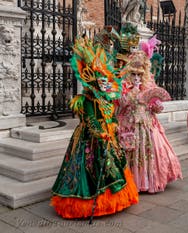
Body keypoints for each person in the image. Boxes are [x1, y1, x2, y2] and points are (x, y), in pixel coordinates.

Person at [51, 38, 138, 219]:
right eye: (101, 80)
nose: (105, 82)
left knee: (113, 166)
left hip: (108, 138)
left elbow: (111, 116)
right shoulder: (87, 101)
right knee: (92, 168)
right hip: (90, 139)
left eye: (105, 79)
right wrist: (100, 133)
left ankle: (115, 200)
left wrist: (113, 126)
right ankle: (89, 203)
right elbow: (90, 120)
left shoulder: (106, 99)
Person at [117, 50, 182, 193]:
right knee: (131, 151)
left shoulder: (149, 85)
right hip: (130, 124)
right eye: (133, 74)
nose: (136, 77)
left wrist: (157, 106)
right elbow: (121, 103)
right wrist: (133, 90)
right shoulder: (123, 86)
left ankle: (149, 180)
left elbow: (152, 103)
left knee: (150, 152)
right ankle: (133, 181)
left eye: (139, 74)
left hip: (147, 124)